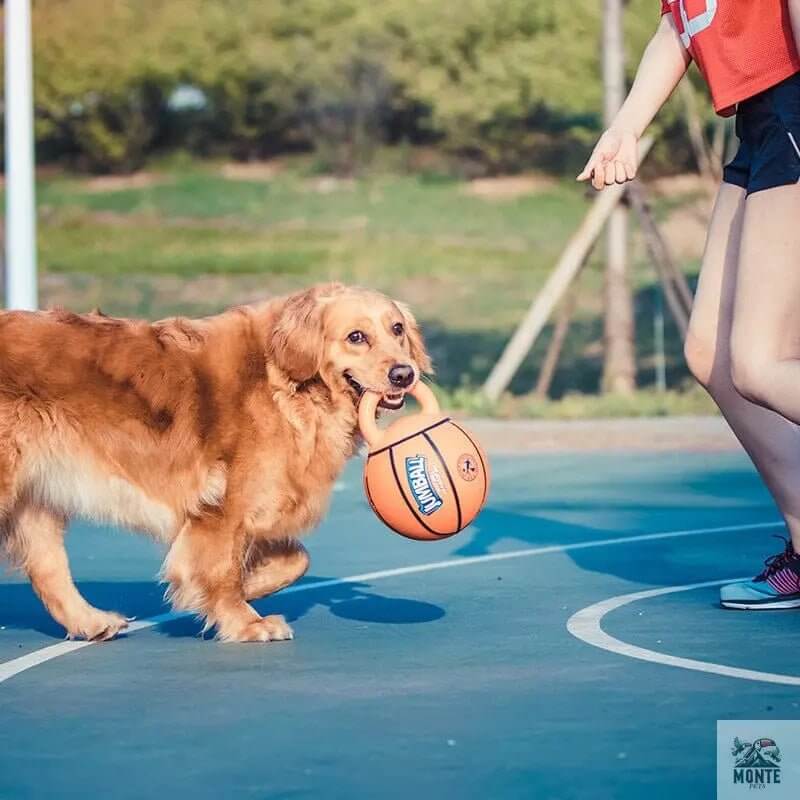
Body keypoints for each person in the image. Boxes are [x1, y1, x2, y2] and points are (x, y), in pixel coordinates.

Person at [578, 0, 800, 609]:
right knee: (713, 359)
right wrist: (626, 126)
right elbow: (679, 25)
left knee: (760, 363)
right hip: (760, 123)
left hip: (795, 110)